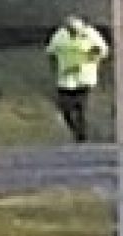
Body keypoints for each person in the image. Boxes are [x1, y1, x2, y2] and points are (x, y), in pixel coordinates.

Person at [45, 15, 109, 143]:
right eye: (71, 30)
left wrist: (92, 57)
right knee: (66, 109)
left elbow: (103, 50)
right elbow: (51, 52)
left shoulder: (90, 34)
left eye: (76, 31)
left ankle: (81, 136)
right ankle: (75, 129)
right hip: (65, 78)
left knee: (81, 108)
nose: (73, 33)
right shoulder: (60, 36)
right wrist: (55, 69)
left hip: (84, 78)